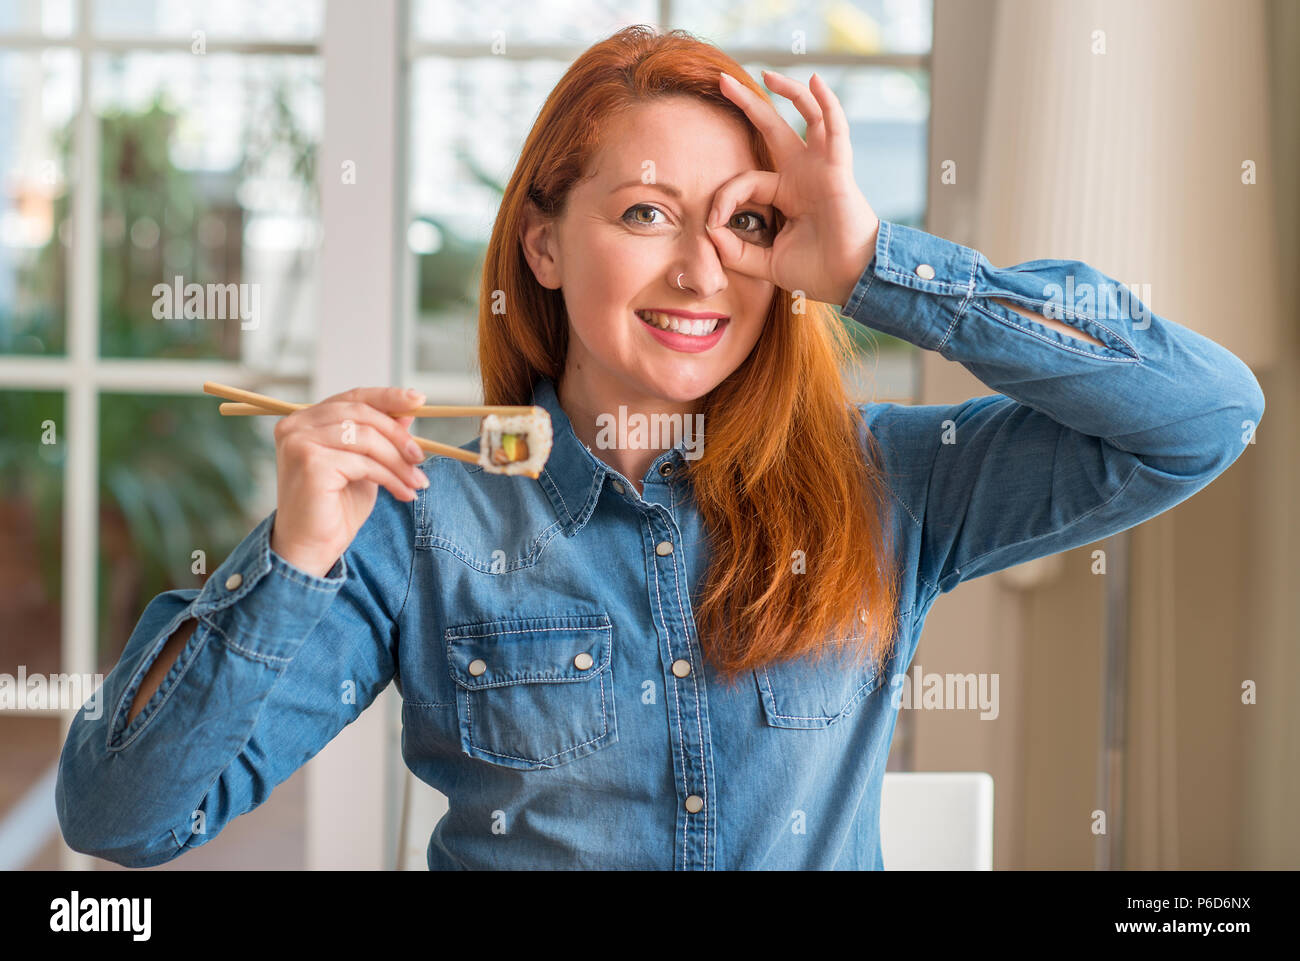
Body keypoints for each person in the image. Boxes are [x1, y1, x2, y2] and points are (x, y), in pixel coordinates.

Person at [57, 26, 1264, 870]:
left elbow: (1204, 414)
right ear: (543, 243)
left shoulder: (894, 478)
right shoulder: (421, 512)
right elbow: (122, 816)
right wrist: (296, 558)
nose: (699, 270)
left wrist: (870, 268)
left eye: (742, 222)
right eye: (643, 214)